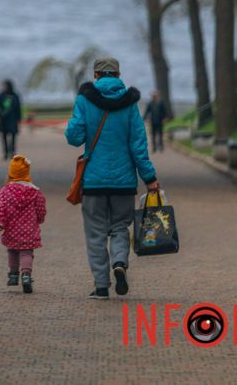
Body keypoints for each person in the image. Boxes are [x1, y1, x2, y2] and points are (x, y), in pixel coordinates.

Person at [64, 57, 159, 301]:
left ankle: (101, 286)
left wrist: (80, 120)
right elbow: (138, 145)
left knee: (95, 234)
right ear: (118, 74)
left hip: (94, 182)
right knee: (119, 227)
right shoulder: (129, 104)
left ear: (96, 75)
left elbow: (74, 137)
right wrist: (149, 177)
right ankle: (119, 263)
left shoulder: (85, 99)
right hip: (124, 183)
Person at [0, 155, 46, 292]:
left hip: (11, 228)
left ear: (10, 173)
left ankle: (14, 274)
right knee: (27, 252)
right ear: (27, 173)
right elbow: (41, 208)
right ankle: (26, 275)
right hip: (29, 229)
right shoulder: (35, 191)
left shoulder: (5, 191)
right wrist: (40, 219)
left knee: (12, 250)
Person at [0, 80, 23, 160]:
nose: (4, 88)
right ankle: (6, 152)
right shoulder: (1, 95)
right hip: (3, 119)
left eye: (5, 86)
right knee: (3, 137)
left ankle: (12, 151)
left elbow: (18, 108)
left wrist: (19, 118)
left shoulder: (15, 95)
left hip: (12, 119)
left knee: (13, 137)